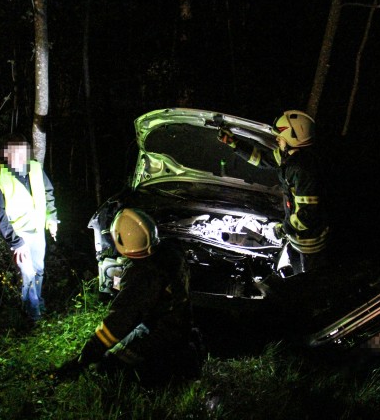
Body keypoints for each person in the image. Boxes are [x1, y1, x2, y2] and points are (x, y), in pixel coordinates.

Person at [56, 208, 201, 384]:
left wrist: (89, 353)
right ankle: (184, 349)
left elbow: (120, 320)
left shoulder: (143, 275)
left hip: (163, 332)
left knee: (108, 365)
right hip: (177, 322)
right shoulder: (171, 251)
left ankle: (176, 365)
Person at [218, 110, 329, 276]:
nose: (277, 139)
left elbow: (307, 215)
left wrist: (282, 229)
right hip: (298, 239)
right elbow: (262, 159)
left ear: (292, 138)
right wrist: (234, 143)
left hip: (309, 244)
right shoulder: (291, 156)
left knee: (307, 280)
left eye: (280, 136)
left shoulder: (302, 169)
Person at [0, 134, 59, 322]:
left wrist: (52, 219)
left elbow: (48, 192)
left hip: (37, 231)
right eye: (16, 153)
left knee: (39, 269)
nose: (21, 157)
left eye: (23, 152)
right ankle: (33, 314)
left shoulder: (35, 168)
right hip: (18, 235)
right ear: (6, 155)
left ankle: (37, 303)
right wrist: (16, 241)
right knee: (27, 272)